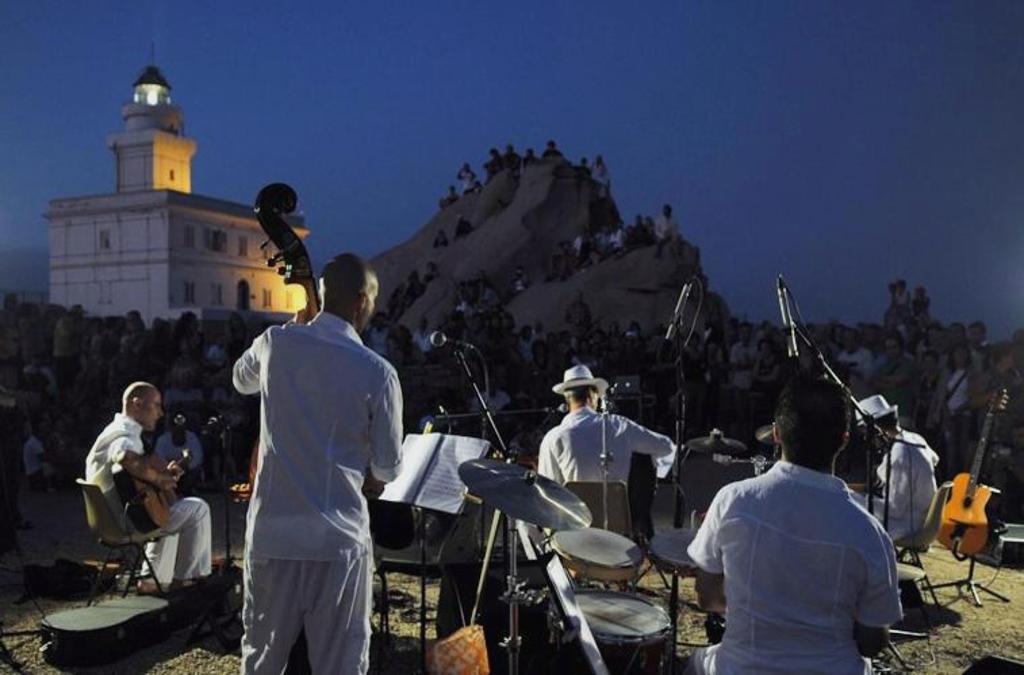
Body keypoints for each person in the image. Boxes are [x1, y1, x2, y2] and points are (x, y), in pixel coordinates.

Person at [233, 253, 403, 674]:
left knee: (262, 658)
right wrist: (372, 474)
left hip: (273, 534)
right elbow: (388, 468)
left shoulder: (276, 343)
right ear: (362, 301)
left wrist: (292, 329)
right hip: (337, 540)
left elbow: (241, 379)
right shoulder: (377, 372)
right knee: (340, 662)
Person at [685, 375, 901, 675]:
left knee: (692, 665)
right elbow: (872, 642)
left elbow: (707, 597)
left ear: (776, 433)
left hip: (741, 668)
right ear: (844, 440)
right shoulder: (870, 532)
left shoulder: (733, 500)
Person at [84, 382, 212, 592]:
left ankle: (152, 581)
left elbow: (132, 472)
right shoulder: (122, 434)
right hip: (124, 522)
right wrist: (160, 480)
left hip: (115, 519)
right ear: (136, 404)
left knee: (168, 513)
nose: (160, 413)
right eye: (156, 405)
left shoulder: (113, 431)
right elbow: (126, 457)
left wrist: (161, 473)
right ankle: (188, 582)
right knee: (198, 508)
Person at [538, 365, 675, 484]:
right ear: (592, 395)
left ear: (566, 399)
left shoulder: (552, 438)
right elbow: (667, 446)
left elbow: (548, 489)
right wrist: (655, 477)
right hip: (615, 506)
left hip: (574, 507)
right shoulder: (619, 425)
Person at [856, 394, 939, 541]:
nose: (865, 438)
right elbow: (935, 459)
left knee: (846, 505)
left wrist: (857, 498)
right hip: (919, 515)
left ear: (876, 430)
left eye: (865, 432)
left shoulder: (900, 454)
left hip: (907, 525)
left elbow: (894, 510)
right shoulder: (914, 438)